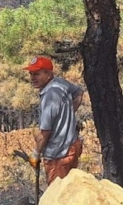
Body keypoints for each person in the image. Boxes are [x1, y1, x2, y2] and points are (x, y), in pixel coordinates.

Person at [25, 56, 84, 185]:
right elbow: (79, 92)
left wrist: (35, 154)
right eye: (31, 74)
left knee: (58, 195)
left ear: (48, 74)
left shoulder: (49, 96)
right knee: (70, 191)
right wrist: (66, 114)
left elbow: (45, 133)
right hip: (72, 147)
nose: (33, 78)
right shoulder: (60, 83)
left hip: (59, 155)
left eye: (37, 74)